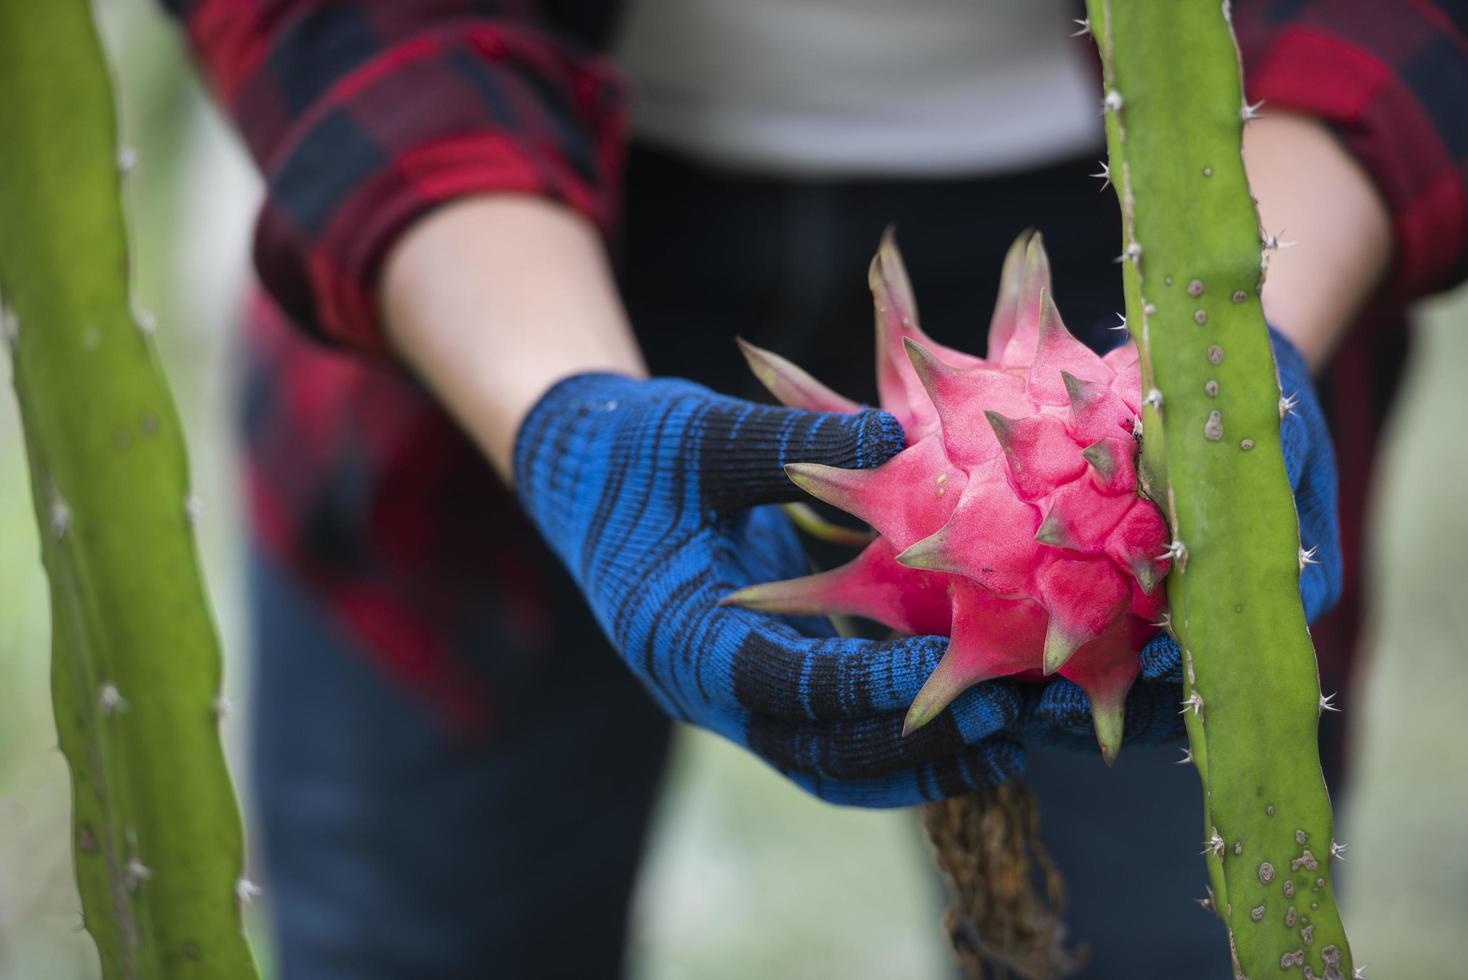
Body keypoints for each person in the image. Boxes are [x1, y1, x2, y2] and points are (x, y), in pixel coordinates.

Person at [161, 0, 1466, 976]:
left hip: (1182, 177)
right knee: (426, 934)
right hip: (492, 212)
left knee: (1172, 937)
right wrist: (559, 418)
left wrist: (1237, 337)